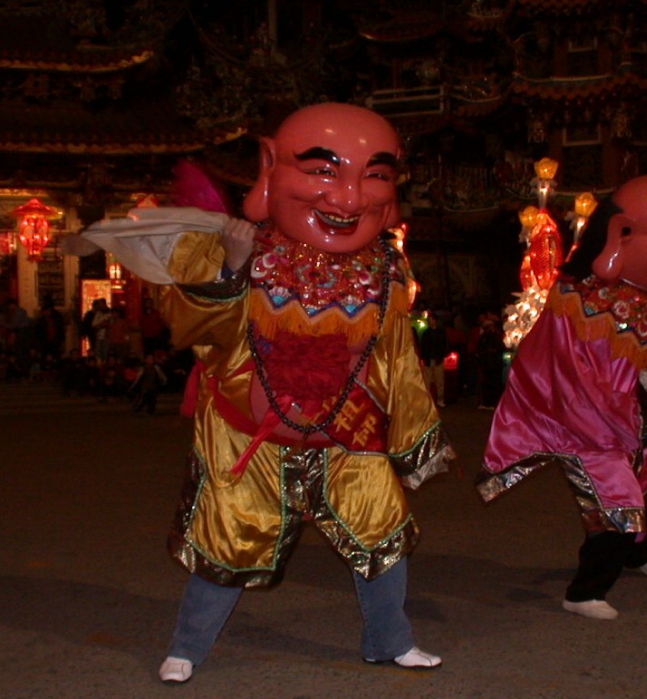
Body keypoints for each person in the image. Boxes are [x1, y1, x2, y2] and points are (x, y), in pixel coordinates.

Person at [84, 103, 453, 682]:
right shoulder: (233, 248)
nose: (350, 198)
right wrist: (231, 270)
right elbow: (192, 330)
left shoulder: (387, 267)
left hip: (347, 430)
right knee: (229, 535)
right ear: (269, 167)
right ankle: (188, 645)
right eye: (325, 172)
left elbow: (397, 358)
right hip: (248, 430)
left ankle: (390, 638)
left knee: (380, 532)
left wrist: (412, 439)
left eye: (375, 174)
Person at [477, 175, 647, 620]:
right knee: (616, 502)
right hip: (590, 427)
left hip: (634, 422)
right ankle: (586, 590)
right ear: (620, 233)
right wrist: (610, 422)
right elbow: (563, 374)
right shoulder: (577, 303)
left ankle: (635, 552)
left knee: (645, 484)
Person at [419, 313, 449, 407]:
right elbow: (423, 346)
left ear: (435, 320)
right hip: (428, 359)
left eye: (431, 320)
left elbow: (445, 345)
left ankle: (440, 399)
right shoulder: (426, 333)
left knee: (439, 381)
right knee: (427, 382)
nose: (430, 321)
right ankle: (427, 401)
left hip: (438, 359)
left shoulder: (441, 332)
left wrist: (442, 355)